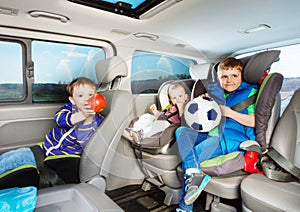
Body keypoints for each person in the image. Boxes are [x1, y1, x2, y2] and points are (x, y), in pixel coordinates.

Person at [176, 57, 258, 212]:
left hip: (228, 140)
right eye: (224, 76)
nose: (229, 81)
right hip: (212, 134)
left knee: (191, 161)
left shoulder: (250, 93)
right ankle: (195, 174)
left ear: (242, 76)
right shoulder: (218, 94)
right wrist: (202, 102)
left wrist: (230, 113)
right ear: (219, 78)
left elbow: (255, 121)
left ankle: (185, 208)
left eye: (234, 76)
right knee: (181, 131)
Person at [42, 77, 103, 184]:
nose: (86, 99)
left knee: (79, 170)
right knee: (70, 172)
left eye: (90, 95)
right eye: (80, 95)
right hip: (57, 151)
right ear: (72, 100)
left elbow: (106, 128)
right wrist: (82, 115)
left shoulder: (97, 117)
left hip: (76, 153)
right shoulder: (68, 109)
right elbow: (59, 119)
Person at [124, 83, 189, 142]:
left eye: (180, 96)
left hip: (170, 124)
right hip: (162, 119)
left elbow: (183, 121)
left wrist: (181, 107)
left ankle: (140, 135)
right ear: (171, 100)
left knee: (157, 126)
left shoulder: (186, 107)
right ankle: (134, 130)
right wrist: (155, 111)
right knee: (147, 116)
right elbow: (164, 115)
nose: (177, 99)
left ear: (186, 97)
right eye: (174, 98)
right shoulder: (171, 107)